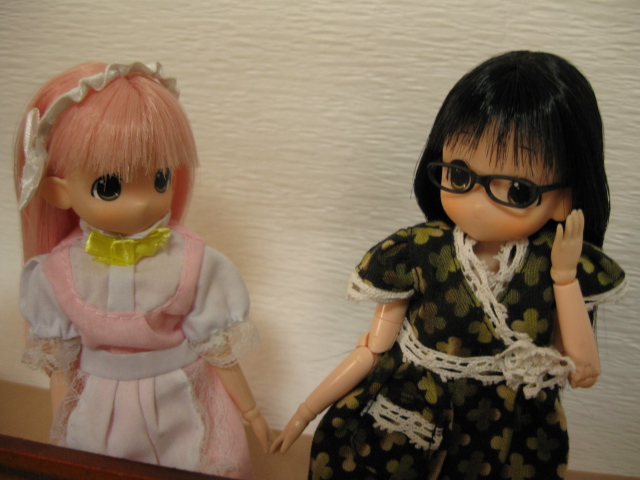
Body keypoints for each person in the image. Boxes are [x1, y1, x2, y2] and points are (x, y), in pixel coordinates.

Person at [272, 51, 626, 479]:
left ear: (564, 199)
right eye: (459, 176)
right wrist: (306, 410)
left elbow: (583, 371)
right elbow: (373, 349)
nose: (475, 204)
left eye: (517, 190)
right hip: (412, 416)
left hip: (505, 432)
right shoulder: (418, 252)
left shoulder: (553, 265)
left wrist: (565, 279)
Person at [15, 61, 270, 478]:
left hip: (181, 399)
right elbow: (62, 372)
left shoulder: (193, 260)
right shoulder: (55, 273)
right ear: (58, 191)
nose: (143, 202)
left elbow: (217, 348)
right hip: (101, 409)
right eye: (109, 187)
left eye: (160, 178)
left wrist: (251, 411)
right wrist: (59, 436)